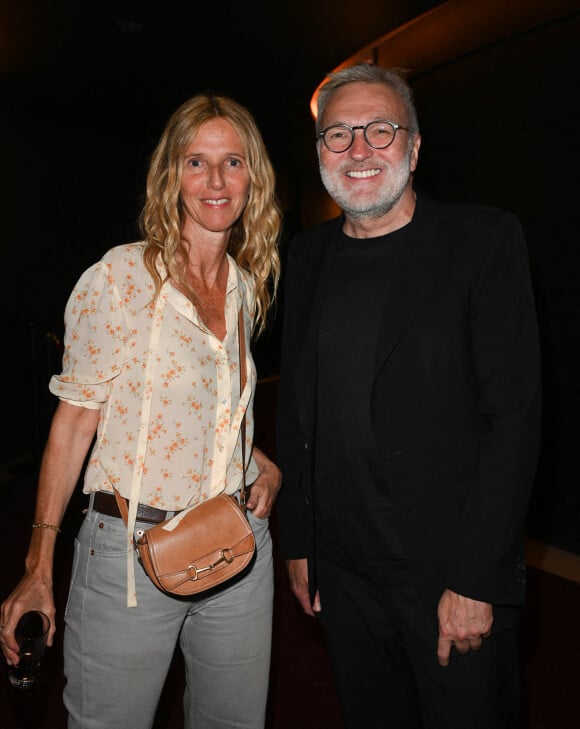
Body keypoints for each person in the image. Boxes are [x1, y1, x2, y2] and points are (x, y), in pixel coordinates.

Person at [0, 92, 282, 729]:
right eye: (195, 162)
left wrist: (260, 461)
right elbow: (75, 422)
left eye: (232, 162)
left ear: (252, 179)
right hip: (130, 555)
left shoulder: (244, 285)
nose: (215, 180)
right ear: (171, 178)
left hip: (236, 547)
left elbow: (199, 407)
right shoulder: (122, 277)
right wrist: (38, 568)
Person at [275, 63, 541, 729]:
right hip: (343, 573)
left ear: (415, 147)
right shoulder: (304, 259)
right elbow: (297, 410)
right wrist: (300, 539)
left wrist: (477, 577)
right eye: (339, 135)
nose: (358, 149)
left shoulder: (483, 241)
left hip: (448, 575)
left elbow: (512, 418)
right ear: (319, 154)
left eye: (380, 130)